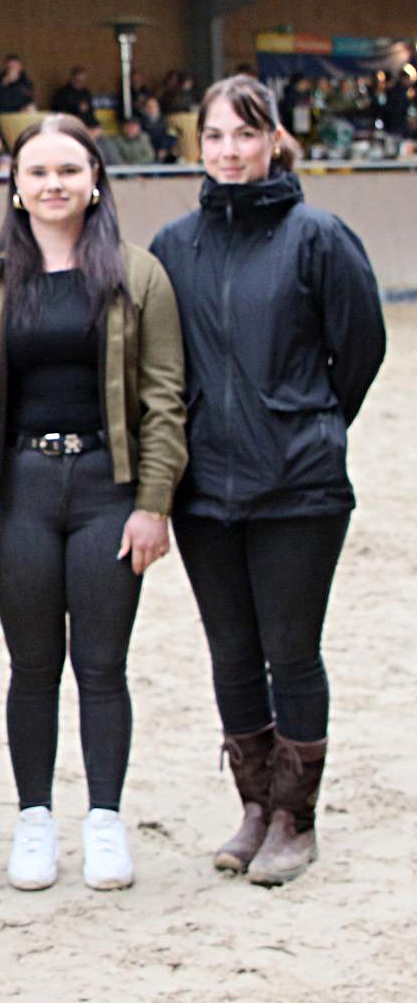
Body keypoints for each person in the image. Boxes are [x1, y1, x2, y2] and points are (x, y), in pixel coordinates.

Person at [0, 113, 187, 893]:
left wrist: (154, 502)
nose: (54, 184)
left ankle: (105, 820)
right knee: (33, 665)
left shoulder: (138, 276)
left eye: (69, 170)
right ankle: (34, 819)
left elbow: (165, 398)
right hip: (19, 490)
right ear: (15, 184)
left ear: (95, 180)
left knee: (104, 665)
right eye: (39, 171)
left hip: (110, 489)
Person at [149, 76, 385, 887]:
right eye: (215, 136)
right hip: (205, 491)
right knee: (233, 652)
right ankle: (253, 804)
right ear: (199, 146)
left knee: (292, 649)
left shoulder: (318, 237)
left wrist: (309, 421)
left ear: (274, 141)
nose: (230, 151)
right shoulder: (175, 246)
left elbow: (361, 347)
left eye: (245, 135)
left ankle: (295, 816)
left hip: (297, 486)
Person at [0, 53, 35, 122]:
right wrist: (3, 83)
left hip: (18, 116)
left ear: (20, 67)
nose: (13, 69)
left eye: (15, 67)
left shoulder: (26, 83)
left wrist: (28, 107)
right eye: (10, 67)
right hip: (1, 116)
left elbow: (29, 100)